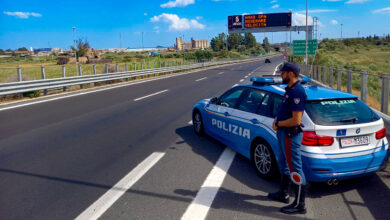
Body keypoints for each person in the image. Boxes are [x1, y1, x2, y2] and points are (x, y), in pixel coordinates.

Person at [268, 62, 307, 214]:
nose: (281, 75)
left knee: (295, 168)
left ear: (290, 73)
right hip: (284, 133)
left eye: (283, 72)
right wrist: (278, 120)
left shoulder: (298, 92)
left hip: (291, 135)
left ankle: (299, 205)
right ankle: (283, 194)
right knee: (284, 164)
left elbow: (296, 120)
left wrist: (278, 122)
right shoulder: (290, 90)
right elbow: (285, 109)